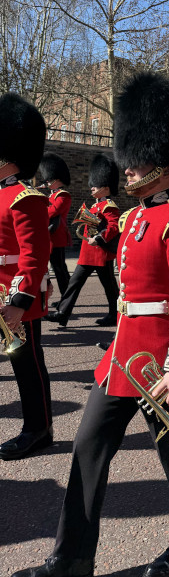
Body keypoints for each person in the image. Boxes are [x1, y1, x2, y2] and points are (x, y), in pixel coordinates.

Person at [6, 72, 169, 577]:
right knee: (87, 448)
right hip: (122, 355)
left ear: (164, 164)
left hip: (160, 361)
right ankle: (71, 558)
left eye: (137, 159)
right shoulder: (139, 218)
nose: (128, 167)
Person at [0, 94, 52, 461]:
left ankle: (39, 429)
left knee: (27, 366)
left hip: (14, 299)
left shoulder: (24, 197)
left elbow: (34, 256)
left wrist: (19, 302)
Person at [47, 155, 120, 327]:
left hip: (102, 253)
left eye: (96, 185)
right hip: (87, 252)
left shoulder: (109, 206)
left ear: (106, 187)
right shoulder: (95, 206)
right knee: (74, 283)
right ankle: (62, 314)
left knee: (110, 287)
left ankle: (115, 315)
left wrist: (100, 237)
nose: (92, 187)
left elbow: (114, 226)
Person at [39, 154, 72, 297]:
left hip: (57, 237)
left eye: (50, 179)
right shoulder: (51, 196)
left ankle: (66, 298)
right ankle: (64, 298)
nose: (47, 181)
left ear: (57, 180)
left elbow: (51, 212)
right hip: (47, 236)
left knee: (59, 269)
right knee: (52, 269)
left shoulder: (63, 195)